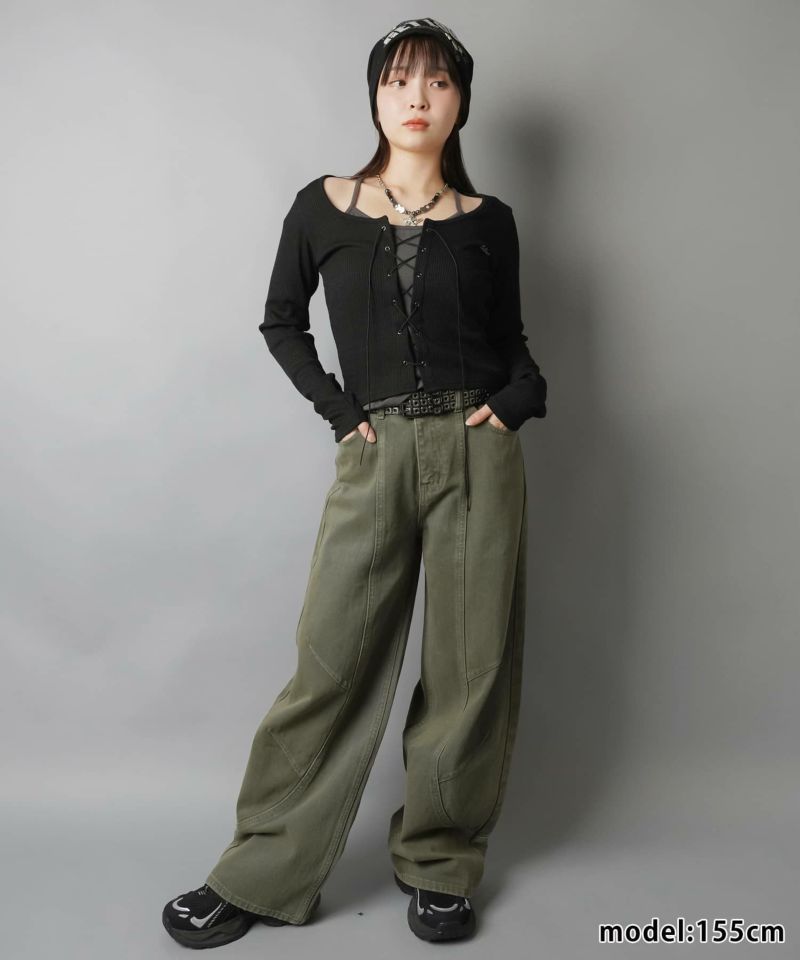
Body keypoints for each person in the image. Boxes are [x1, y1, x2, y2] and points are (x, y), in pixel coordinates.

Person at [162, 16, 547, 948]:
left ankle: (441, 864)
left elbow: (515, 347)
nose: (418, 98)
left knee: (470, 669)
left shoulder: (490, 221)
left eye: (439, 82)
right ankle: (260, 869)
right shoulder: (323, 206)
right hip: (376, 453)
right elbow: (281, 321)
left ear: (461, 102)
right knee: (331, 660)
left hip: (477, 454)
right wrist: (342, 413)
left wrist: (520, 400)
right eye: (400, 80)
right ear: (374, 96)